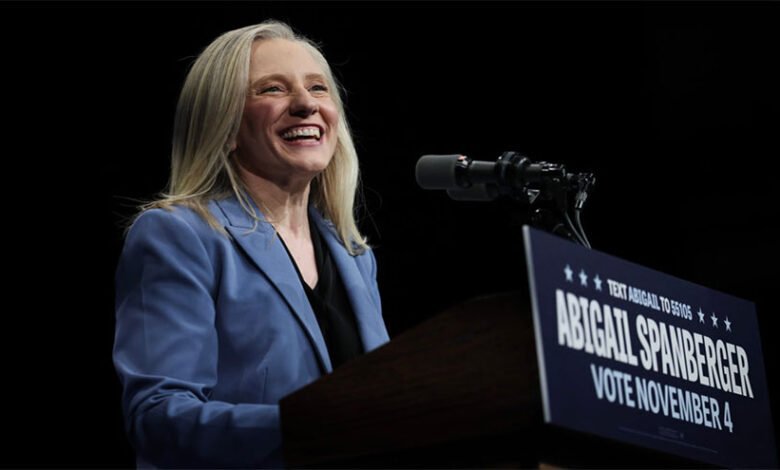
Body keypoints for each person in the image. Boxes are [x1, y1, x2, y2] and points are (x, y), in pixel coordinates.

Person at [112, 20, 390, 468]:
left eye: (318, 88)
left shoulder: (354, 254)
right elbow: (159, 418)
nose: (305, 104)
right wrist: (317, 427)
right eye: (272, 89)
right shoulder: (180, 235)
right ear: (225, 125)